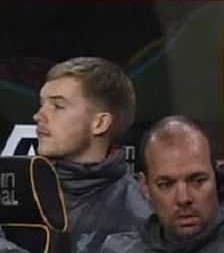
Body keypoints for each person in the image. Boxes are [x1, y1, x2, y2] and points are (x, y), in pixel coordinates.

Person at [33, 57, 150, 253]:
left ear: (100, 124)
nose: (38, 116)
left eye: (58, 106)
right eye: (42, 104)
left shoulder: (135, 218)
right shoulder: (21, 188)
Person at [100, 115, 224, 253]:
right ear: (144, 186)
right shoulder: (120, 249)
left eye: (197, 181)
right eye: (166, 184)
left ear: (216, 177)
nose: (183, 198)